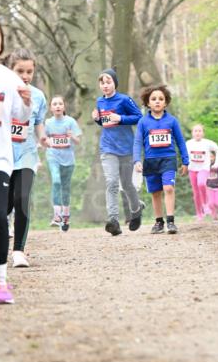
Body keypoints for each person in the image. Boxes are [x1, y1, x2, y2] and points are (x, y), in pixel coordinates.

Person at [0, 15, 31, 304]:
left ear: (1, 41)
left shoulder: (9, 78)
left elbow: (21, 116)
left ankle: (1, 281)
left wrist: (27, 103)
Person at [6, 49, 47, 266]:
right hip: (2, 155)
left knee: (22, 199)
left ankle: (18, 251)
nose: (25, 76)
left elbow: (38, 122)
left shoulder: (38, 96)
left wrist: (43, 137)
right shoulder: (0, 91)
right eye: (20, 71)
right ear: (10, 70)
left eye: (29, 71)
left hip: (27, 154)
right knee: (3, 206)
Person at [92, 68, 144, 236]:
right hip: (107, 148)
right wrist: (97, 119)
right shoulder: (100, 101)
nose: (105, 85)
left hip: (126, 148)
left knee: (127, 184)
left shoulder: (124, 100)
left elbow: (139, 117)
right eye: (102, 83)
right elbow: (105, 123)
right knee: (112, 182)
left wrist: (121, 118)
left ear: (115, 83)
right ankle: (113, 220)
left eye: (108, 82)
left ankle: (136, 210)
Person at [133, 84, 189, 235]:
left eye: (161, 99)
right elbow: (137, 142)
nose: (157, 101)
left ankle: (170, 221)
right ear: (148, 103)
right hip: (150, 161)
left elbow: (180, 141)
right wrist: (136, 160)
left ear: (166, 102)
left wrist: (185, 161)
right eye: (153, 99)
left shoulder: (172, 121)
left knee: (168, 188)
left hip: (168, 159)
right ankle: (159, 222)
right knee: (155, 192)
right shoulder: (143, 122)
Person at [44, 96, 82, 234]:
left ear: (64, 107)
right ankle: (57, 215)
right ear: (51, 108)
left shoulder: (70, 121)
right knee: (56, 181)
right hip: (53, 156)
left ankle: (65, 216)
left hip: (68, 159)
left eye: (60, 103)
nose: (58, 106)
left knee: (65, 187)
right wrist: (46, 142)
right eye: (55, 104)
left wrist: (72, 136)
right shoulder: (48, 123)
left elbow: (78, 141)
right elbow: (44, 139)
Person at [186, 123, 218, 221]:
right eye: (195, 131)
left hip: (204, 168)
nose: (197, 133)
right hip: (192, 169)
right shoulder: (188, 143)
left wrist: (217, 163)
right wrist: (185, 164)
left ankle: (206, 204)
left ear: (203, 133)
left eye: (199, 131)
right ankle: (199, 214)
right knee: (196, 192)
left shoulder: (207, 143)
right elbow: (183, 154)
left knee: (201, 184)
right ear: (192, 133)